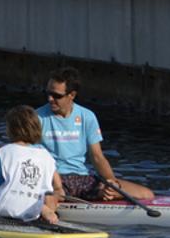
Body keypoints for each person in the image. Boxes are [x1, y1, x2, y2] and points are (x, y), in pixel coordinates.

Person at [37, 67, 155, 203]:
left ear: (72, 95)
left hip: (81, 179)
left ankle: (105, 194)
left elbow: (97, 157)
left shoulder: (87, 116)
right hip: (54, 180)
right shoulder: (36, 118)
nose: (50, 99)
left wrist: (112, 183)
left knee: (146, 194)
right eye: (48, 93)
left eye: (56, 95)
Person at [0, 105, 63, 224]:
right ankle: (45, 211)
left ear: (11, 129)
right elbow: (57, 186)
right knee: (44, 196)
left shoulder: (4, 152)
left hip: (1, 207)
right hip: (31, 211)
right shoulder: (46, 155)